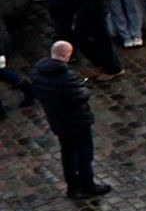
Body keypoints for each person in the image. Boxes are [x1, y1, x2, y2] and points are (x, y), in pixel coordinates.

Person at [21, 40, 97, 198]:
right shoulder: (66, 76)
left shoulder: (38, 72)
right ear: (67, 54)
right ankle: (88, 186)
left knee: (67, 154)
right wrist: (84, 88)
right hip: (76, 121)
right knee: (83, 154)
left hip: (57, 120)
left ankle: (72, 187)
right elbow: (79, 96)